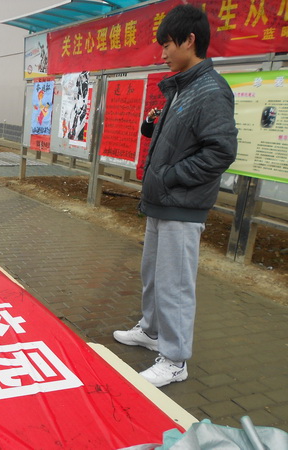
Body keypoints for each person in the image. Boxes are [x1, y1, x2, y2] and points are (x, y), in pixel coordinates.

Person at [113, 4, 237, 388]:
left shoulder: (210, 90)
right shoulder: (184, 86)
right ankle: (152, 331)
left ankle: (175, 359)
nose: (162, 52)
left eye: (167, 44)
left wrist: (169, 177)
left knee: (175, 284)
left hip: (182, 205)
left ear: (189, 40)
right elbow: (183, 141)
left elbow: (220, 152)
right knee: (153, 276)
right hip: (162, 202)